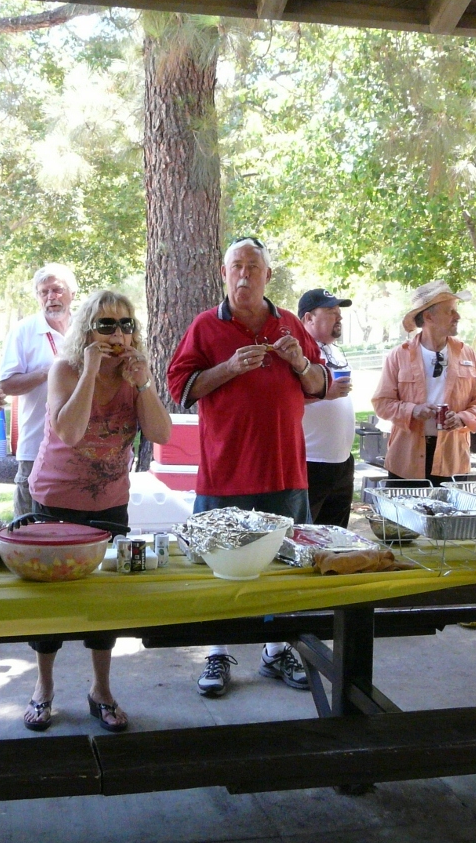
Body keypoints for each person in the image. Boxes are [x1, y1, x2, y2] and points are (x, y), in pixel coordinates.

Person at [167, 237, 327, 698]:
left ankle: (278, 649)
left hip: (284, 470)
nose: (244, 275)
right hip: (226, 471)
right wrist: (230, 368)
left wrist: (299, 362)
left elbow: (319, 383)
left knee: (284, 563)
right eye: (236, 266)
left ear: (267, 275)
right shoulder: (206, 326)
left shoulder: (290, 323)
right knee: (218, 564)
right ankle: (217, 652)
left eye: (253, 267)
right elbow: (180, 389)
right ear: (223, 273)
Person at [21, 291, 172, 733]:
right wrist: (90, 370)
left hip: (109, 502)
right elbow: (68, 432)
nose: (117, 333)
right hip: (57, 498)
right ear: (88, 330)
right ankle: (44, 687)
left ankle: (101, 690)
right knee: (50, 600)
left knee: (106, 600)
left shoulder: (134, 373)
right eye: (106, 324)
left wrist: (142, 384)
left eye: (126, 324)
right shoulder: (66, 369)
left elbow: (161, 432)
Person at [372, 281, 476, 486]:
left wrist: (462, 418)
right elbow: (382, 403)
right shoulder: (399, 356)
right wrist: (412, 410)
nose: (457, 316)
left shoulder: (469, 355)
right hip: (407, 461)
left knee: (448, 508)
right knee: (405, 507)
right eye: (450, 311)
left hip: (452, 460)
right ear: (429, 317)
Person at [0, 264, 77, 518]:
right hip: (36, 448)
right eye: (44, 292)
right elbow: (6, 384)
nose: (51, 297)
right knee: (29, 527)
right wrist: (48, 372)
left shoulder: (85, 330)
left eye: (57, 290)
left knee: (73, 529)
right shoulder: (24, 331)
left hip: (79, 448)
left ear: (73, 293)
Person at [298, 288, 357, 527]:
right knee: (304, 535)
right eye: (331, 311)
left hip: (342, 462)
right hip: (311, 461)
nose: (339, 316)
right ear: (309, 318)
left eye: (339, 311)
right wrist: (324, 394)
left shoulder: (334, 350)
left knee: (335, 536)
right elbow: (284, 398)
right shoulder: (296, 353)